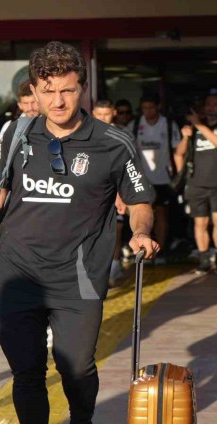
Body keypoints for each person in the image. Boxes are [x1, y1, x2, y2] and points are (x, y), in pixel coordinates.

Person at [0, 41, 160, 424]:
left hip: (77, 278)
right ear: (34, 90)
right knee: (27, 371)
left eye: (67, 90)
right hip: (16, 273)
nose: (57, 101)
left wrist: (140, 231)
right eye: (47, 91)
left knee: (77, 369)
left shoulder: (114, 141)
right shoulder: (16, 134)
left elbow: (140, 200)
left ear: (82, 88)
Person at [174, 94, 217, 274]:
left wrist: (199, 124)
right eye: (208, 104)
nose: (211, 108)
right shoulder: (194, 129)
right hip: (196, 184)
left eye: (215, 104)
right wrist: (185, 137)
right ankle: (203, 259)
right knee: (200, 222)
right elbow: (178, 153)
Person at [128, 94, 180, 266]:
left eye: (151, 107)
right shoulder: (134, 125)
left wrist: (178, 177)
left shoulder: (168, 124)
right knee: (141, 214)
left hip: (163, 178)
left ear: (157, 107)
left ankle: (160, 250)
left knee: (161, 214)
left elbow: (178, 151)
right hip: (141, 178)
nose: (148, 111)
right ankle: (142, 249)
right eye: (145, 108)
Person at [91, 99, 129, 287]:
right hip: (91, 193)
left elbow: (126, 167)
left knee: (115, 230)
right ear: (93, 114)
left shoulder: (122, 135)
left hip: (116, 190)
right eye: (99, 115)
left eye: (106, 114)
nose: (102, 118)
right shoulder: (86, 133)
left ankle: (114, 266)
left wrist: (122, 194)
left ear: (113, 113)